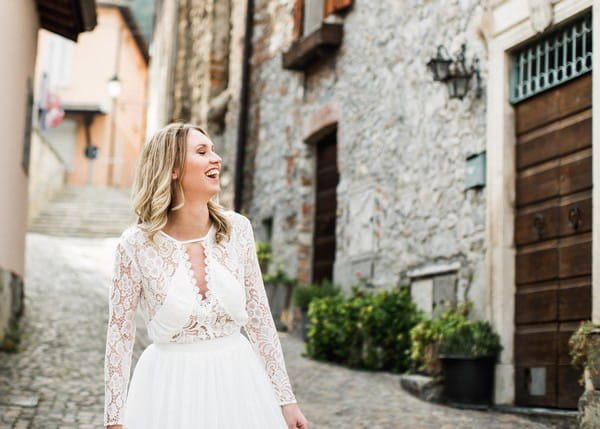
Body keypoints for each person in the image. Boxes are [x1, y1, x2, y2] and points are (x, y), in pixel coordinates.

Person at [104, 123, 309, 429]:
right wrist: (115, 418)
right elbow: (119, 337)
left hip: (239, 385)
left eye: (213, 150)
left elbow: (260, 319)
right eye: (202, 152)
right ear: (172, 169)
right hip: (168, 393)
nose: (216, 159)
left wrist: (286, 400)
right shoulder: (135, 245)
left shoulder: (237, 230)